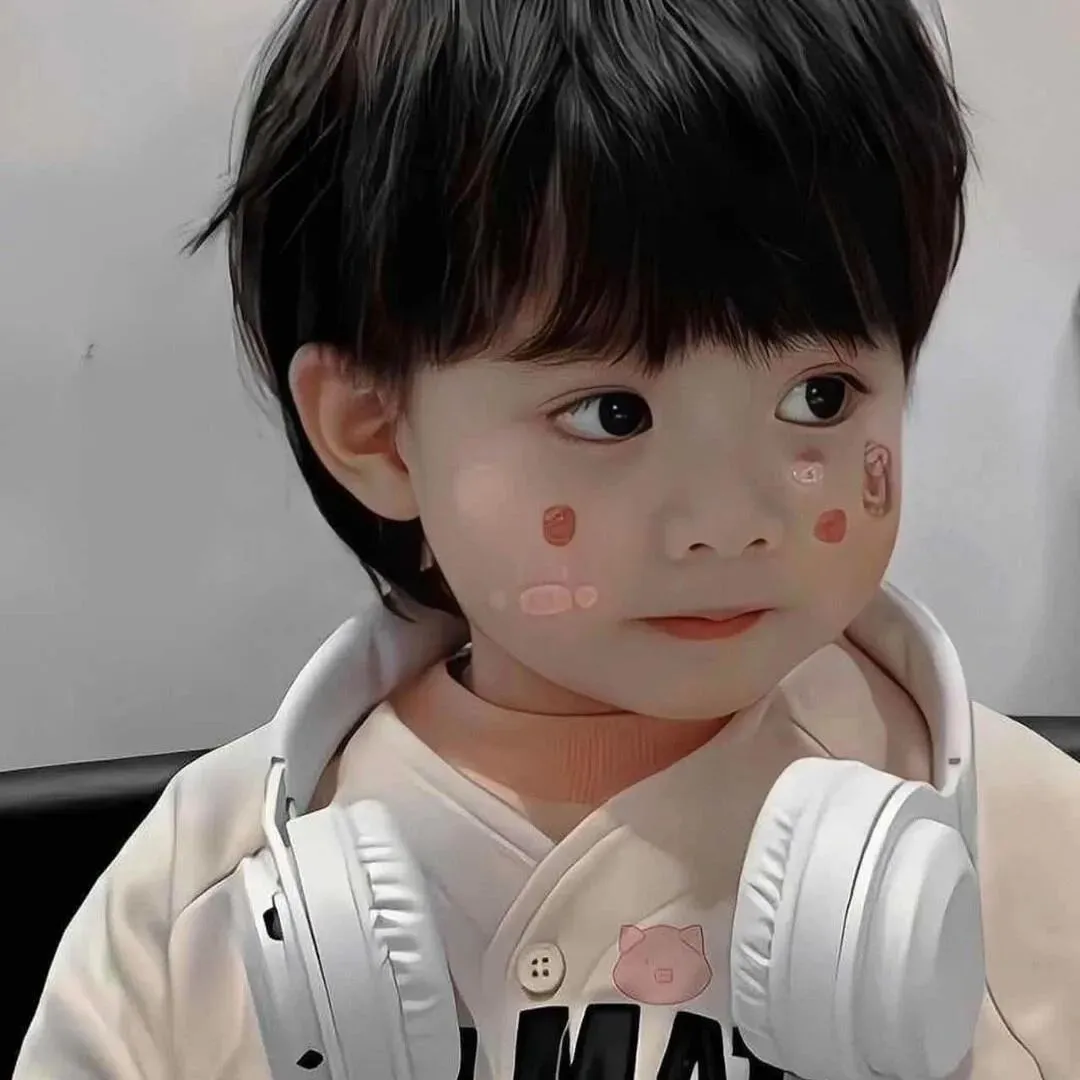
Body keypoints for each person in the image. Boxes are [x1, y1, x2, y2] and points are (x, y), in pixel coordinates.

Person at [15, 0, 1080, 1077]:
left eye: (821, 396)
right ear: (377, 431)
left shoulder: (1035, 852)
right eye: (612, 414)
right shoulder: (197, 901)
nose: (729, 521)